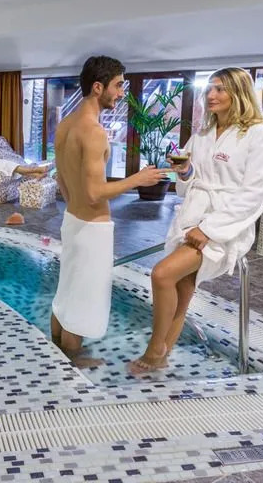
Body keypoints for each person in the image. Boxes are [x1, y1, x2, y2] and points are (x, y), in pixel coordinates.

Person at [128, 67, 263, 375]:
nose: (211, 95)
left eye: (220, 89)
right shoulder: (203, 134)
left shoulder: (259, 137)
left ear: (239, 93)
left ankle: (155, 349)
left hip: (225, 227)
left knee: (162, 274)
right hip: (191, 219)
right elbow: (189, 183)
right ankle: (161, 358)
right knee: (182, 288)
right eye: (209, 88)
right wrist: (184, 173)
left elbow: (254, 195)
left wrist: (209, 229)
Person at [52, 55, 171, 368]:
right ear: (97, 87)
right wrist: (137, 179)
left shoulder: (65, 125)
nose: (121, 93)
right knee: (83, 296)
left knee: (67, 289)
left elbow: (61, 178)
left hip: (73, 220)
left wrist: (75, 206)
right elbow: (94, 193)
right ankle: (73, 361)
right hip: (92, 227)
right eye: (118, 86)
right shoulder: (93, 131)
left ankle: (57, 351)